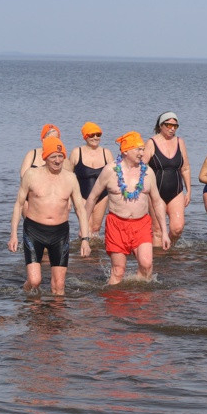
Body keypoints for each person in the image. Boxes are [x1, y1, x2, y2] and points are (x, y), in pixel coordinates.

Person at [86, 131, 171, 284]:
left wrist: (165, 232)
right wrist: (84, 228)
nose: (142, 153)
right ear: (125, 151)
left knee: (147, 265)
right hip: (116, 225)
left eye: (143, 149)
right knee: (118, 271)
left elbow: (157, 202)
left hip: (142, 224)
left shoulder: (148, 173)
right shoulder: (110, 171)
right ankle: (116, 304)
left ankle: (139, 301)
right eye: (138, 149)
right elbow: (92, 198)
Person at [9, 136, 91, 294]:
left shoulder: (70, 178)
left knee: (59, 285)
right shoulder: (31, 175)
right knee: (34, 281)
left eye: (61, 156)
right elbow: (18, 205)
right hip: (34, 231)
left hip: (60, 233)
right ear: (45, 157)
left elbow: (80, 209)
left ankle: (56, 318)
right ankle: (25, 296)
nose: (58, 160)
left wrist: (85, 240)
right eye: (53, 156)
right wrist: (13, 234)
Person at [142, 111, 191, 246]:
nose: (172, 128)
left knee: (177, 228)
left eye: (175, 126)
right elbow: (142, 167)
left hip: (176, 191)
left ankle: (169, 248)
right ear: (161, 125)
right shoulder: (152, 143)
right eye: (169, 125)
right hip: (156, 192)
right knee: (157, 230)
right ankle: (159, 262)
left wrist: (189, 191)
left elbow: (185, 168)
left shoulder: (180, 142)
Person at [70, 122, 113, 236]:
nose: (95, 138)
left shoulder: (106, 153)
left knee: (95, 229)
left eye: (98, 135)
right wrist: (68, 198)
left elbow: (114, 177)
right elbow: (67, 176)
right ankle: (83, 251)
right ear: (85, 136)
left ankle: (95, 253)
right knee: (86, 229)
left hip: (102, 196)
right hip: (82, 195)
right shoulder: (76, 153)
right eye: (91, 135)